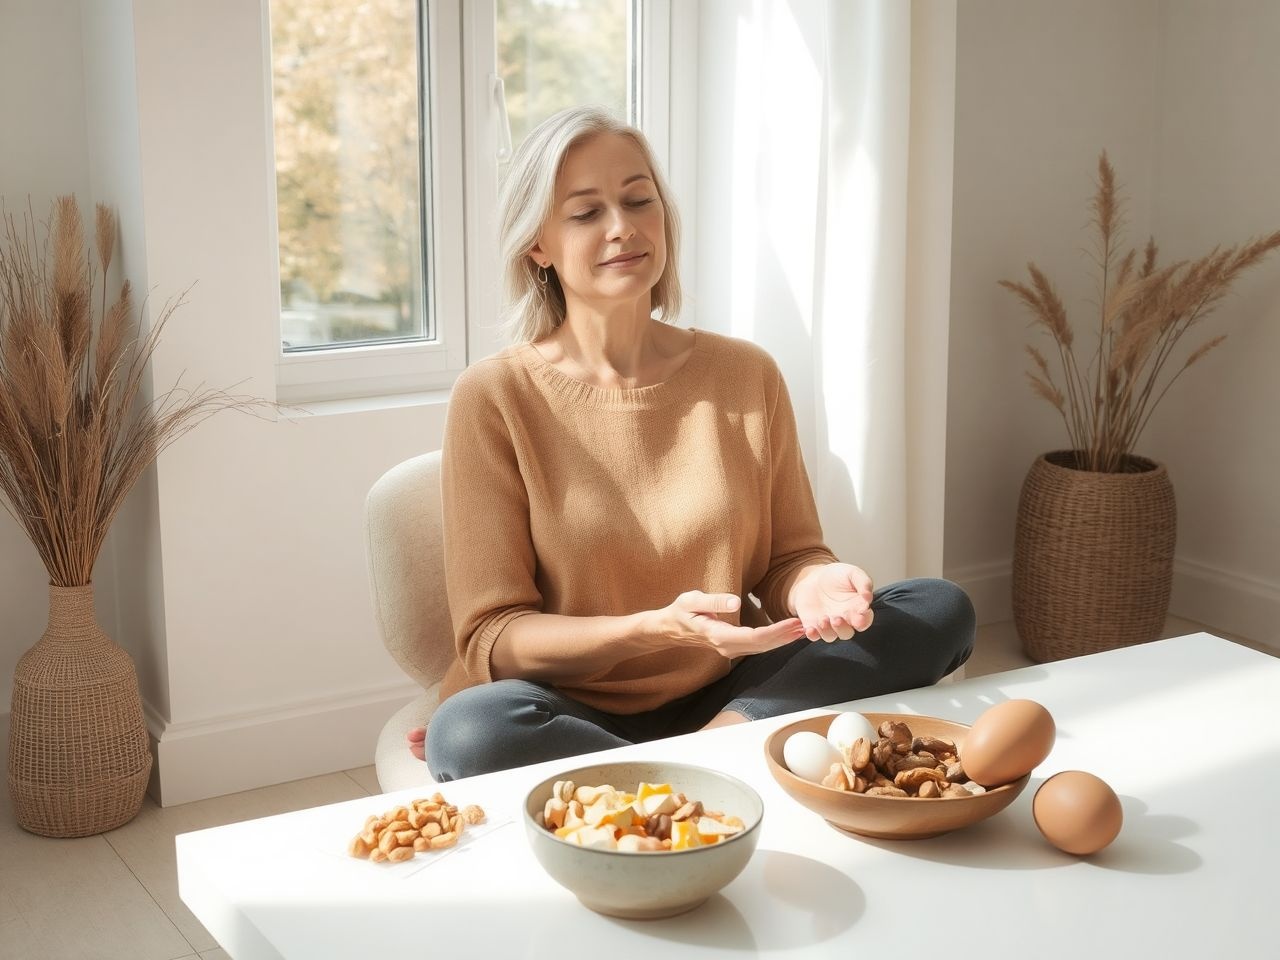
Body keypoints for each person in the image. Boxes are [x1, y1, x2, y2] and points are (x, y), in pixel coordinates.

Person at [407, 106, 974, 781]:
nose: (623, 227)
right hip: (574, 706)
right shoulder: (495, 397)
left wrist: (816, 584)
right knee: (471, 732)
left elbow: (788, 558)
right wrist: (654, 628)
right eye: (586, 213)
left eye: (639, 199)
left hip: (732, 692)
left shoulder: (746, 374)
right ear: (538, 244)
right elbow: (493, 637)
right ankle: (717, 769)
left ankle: (684, 768)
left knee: (940, 608)